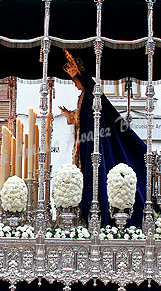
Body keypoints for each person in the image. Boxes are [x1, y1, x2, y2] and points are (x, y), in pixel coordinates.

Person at [58, 50, 147, 228]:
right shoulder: (83, 96)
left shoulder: (91, 95)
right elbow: (84, 119)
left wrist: (76, 118)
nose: (75, 84)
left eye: (75, 80)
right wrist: (71, 116)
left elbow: (92, 120)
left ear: (81, 78)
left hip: (92, 145)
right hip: (84, 144)